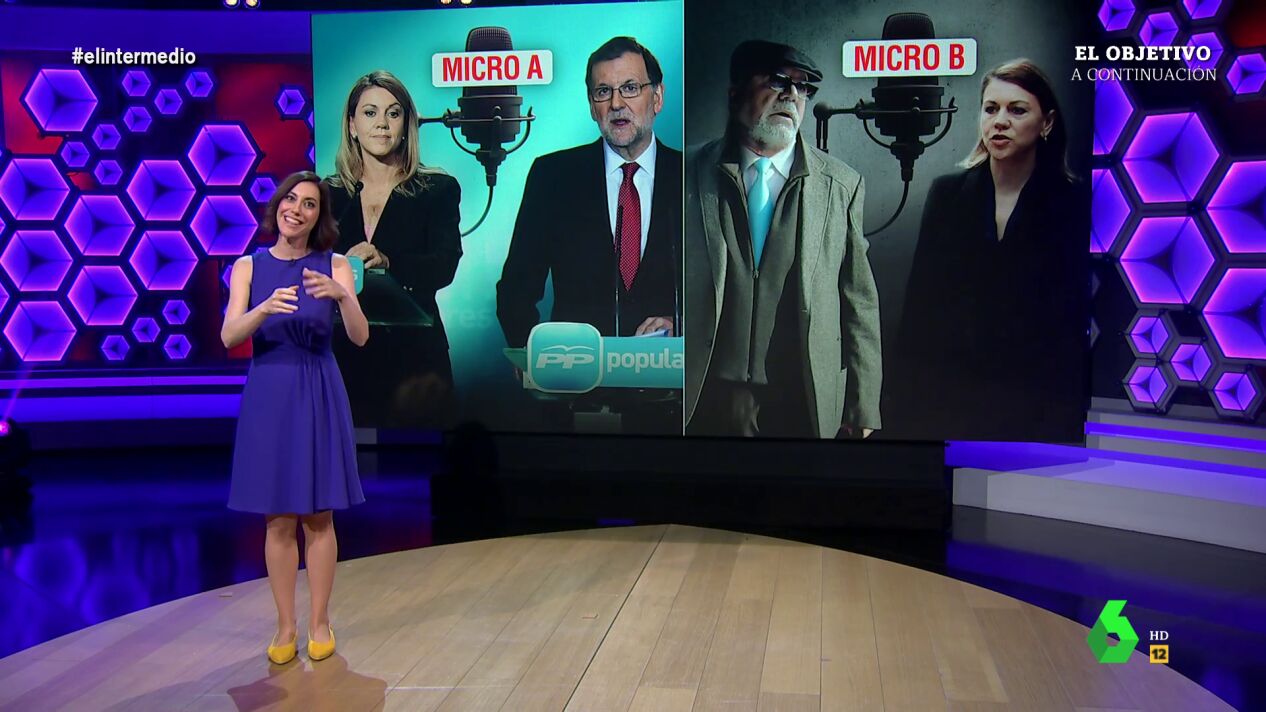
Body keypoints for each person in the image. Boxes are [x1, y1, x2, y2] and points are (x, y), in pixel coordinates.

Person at [684, 40, 882, 439]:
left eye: (803, 86)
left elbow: (859, 301)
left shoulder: (841, 185)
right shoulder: (687, 171)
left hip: (801, 399)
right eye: (778, 81)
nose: (792, 95)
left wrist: (863, 405)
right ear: (736, 93)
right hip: (705, 397)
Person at [892, 59, 1088, 441]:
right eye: (991, 108)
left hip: (1035, 407)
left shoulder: (1072, 203)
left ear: (1046, 123)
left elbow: (1069, 326)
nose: (999, 121)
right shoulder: (947, 194)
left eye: (1017, 110)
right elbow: (919, 309)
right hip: (950, 402)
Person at [223, 171, 369, 664]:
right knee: (279, 518)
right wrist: (263, 308)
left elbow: (360, 337)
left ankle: (319, 621)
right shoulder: (248, 266)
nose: (297, 209)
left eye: (309, 204)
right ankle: (285, 626)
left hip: (318, 389)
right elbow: (229, 335)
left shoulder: (336, 264)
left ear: (318, 217)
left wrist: (342, 295)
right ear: (278, 206)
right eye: (291, 199)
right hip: (270, 393)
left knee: (319, 516)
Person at [497, 36, 682, 348]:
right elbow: (516, 289)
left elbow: (719, 291)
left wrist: (682, 323)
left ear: (657, 97)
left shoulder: (688, 175)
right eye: (603, 92)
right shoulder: (553, 176)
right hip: (578, 371)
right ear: (592, 106)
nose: (616, 104)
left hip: (670, 372)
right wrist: (531, 354)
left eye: (630, 88)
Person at [325, 70, 462, 429]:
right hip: (344, 356)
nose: (382, 124)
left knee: (419, 458)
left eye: (393, 113)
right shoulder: (328, 194)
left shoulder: (437, 189)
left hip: (415, 360)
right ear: (352, 125)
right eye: (370, 113)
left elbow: (444, 265)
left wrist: (389, 262)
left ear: (406, 124)